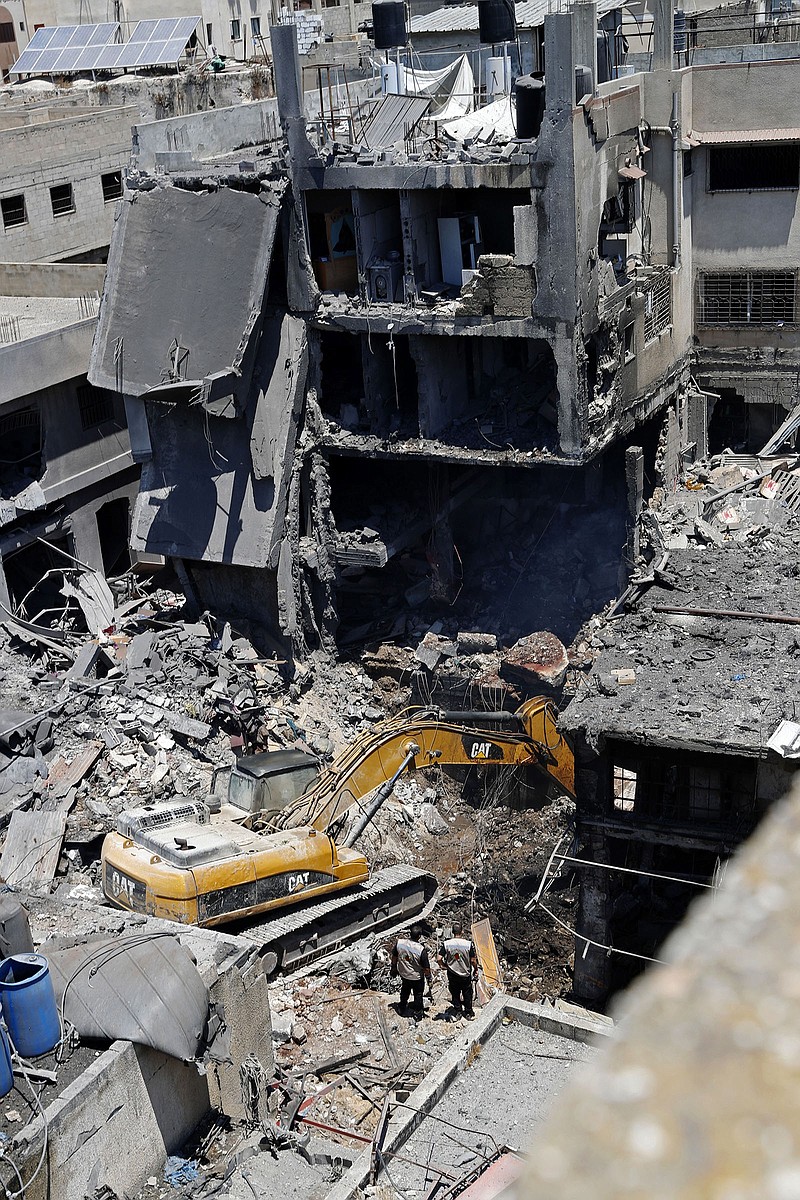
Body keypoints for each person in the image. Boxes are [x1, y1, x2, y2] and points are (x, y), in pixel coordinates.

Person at [438, 922, 478, 1019]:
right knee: (467, 993)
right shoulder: (468, 944)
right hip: (465, 974)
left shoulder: (446, 944)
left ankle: (458, 1011)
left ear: (452, 932)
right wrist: (475, 969)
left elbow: (439, 958)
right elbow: (473, 960)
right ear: (462, 932)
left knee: (455, 993)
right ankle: (468, 1012)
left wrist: (444, 966)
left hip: (452, 974)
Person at [391, 924, 433, 1018]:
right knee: (418, 994)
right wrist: (429, 978)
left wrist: (393, 967)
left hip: (404, 974)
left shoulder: (400, 943)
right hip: (416, 977)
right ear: (419, 936)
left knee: (405, 990)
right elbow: (426, 968)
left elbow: (394, 956)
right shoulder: (421, 950)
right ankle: (418, 1013)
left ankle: (401, 1007)